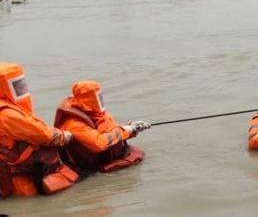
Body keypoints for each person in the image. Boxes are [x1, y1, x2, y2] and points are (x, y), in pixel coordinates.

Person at [0, 63, 78, 198]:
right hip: (23, 179)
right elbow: (43, 134)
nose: (22, 88)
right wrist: (65, 136)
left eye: (21, 83)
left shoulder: (8, 109)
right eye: (17, 85)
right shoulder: (7, 115)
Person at [54, 80, 149, 177]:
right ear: (89, 99)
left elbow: (109, 132)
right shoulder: (74, 124)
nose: (101, 99)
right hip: (88, 168)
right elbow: (99, 143)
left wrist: (132, 128)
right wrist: (127, 130)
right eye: (98, 96)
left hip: (103, 159)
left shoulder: (94, 114)